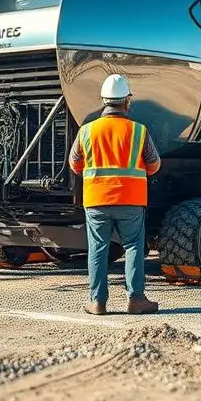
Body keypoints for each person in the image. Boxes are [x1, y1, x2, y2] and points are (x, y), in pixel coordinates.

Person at [68, 74, 162, 315]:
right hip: (131, 200)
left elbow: (74, 163)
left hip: (97, 200)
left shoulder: (87, 131)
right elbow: (154, 165)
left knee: (98, 249)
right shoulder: (139, 131)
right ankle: (136, 299)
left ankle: (97, 302)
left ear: (104, 101)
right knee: (133, 247)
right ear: (127, 101)